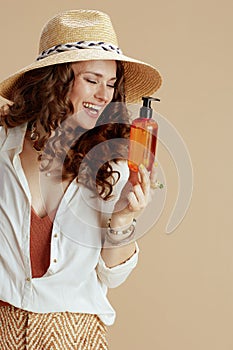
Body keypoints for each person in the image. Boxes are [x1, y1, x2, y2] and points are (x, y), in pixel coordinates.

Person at [0, 9, 162, 350]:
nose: (104, 95)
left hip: (77, 335)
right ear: (55, 80)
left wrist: (122, 218)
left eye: (111, 83)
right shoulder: (5, 147)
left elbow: (111, 276)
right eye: (91, 80)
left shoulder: (111, 163)